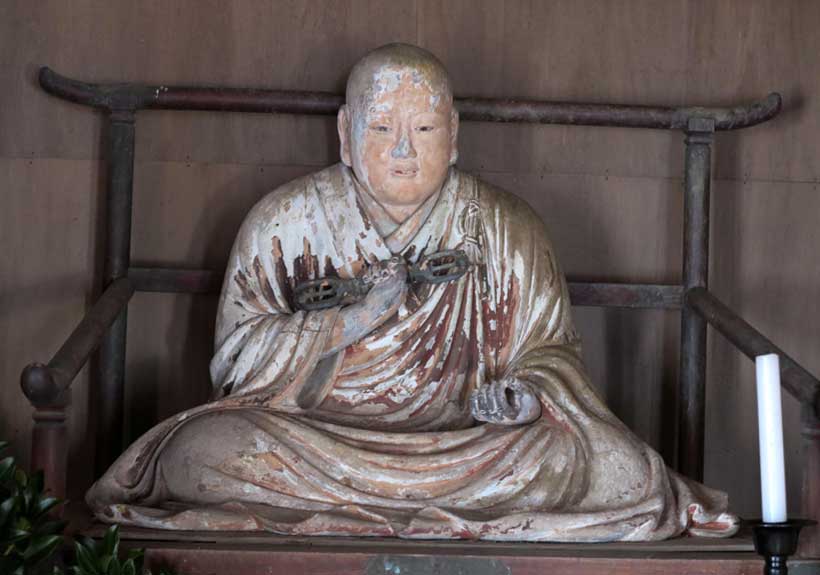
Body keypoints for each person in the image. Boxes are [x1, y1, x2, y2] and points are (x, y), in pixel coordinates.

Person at [87, 43, 738, 542]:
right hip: (314, 443)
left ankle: (396, 508)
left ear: (453, 136)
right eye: (381, 129)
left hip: (473, 447)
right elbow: (235, 366)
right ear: (345, 133)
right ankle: (421, 510)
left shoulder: (507, 227)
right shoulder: (284, 222)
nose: (403, 148)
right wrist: (345, 320)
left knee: (616, 464)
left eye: (424, 130)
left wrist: (526, 394)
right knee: (192, 454)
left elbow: (550, 350)